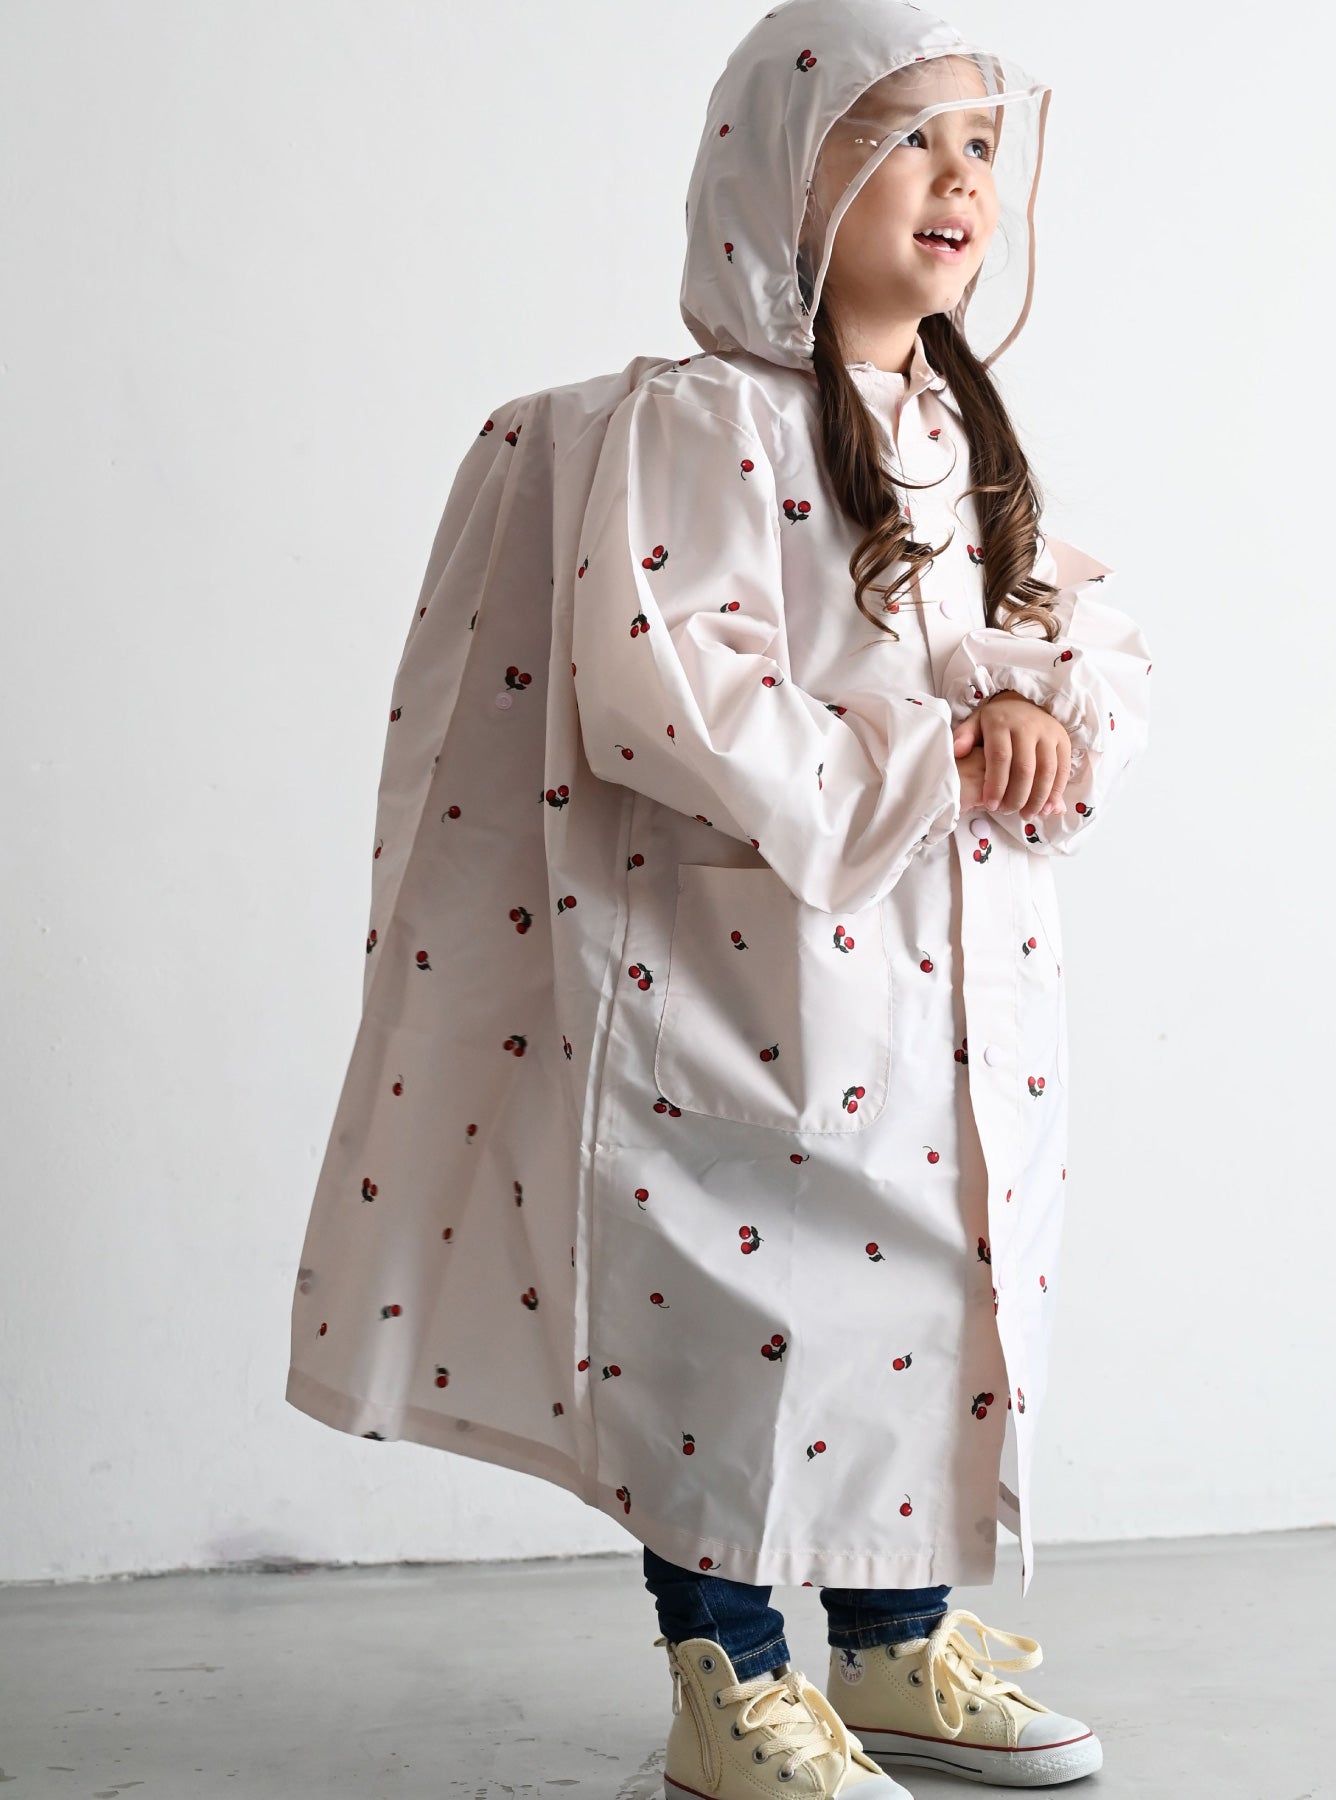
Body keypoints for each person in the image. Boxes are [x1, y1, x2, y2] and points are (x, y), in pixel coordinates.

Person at [285, 1, 1152, 1791]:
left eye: (979, 145)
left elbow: (1062, 625)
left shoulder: (960, 433)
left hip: (951, 987)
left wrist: (1040, 713)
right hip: (746, 978)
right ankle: (728, 1679)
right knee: (734, 1337)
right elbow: (669, 679)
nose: (957, 179)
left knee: (930, 1302)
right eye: (901, 138)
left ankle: (893, 1648)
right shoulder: (708, 421)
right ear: (779, 172)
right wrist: (933, 749)